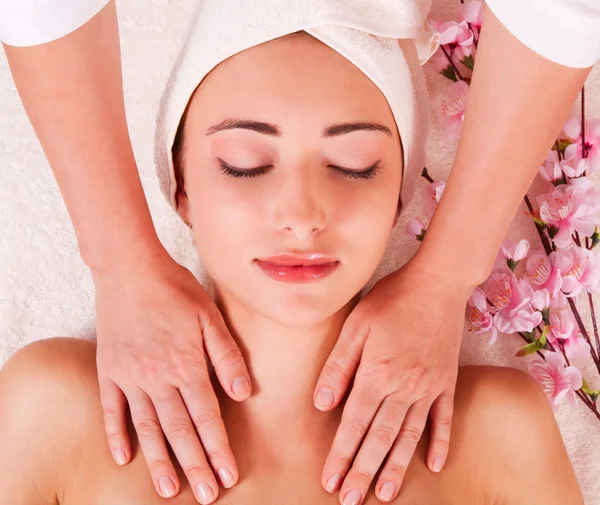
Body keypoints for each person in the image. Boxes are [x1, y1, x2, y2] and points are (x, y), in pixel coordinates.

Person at [0, 0, 595, 502]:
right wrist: (118, 262)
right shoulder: (50, 407)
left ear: (400, 197)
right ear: (181, 186)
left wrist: (449, 274)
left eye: (354, 168)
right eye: (245, 165)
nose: (302, 217)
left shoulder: (497, 431)